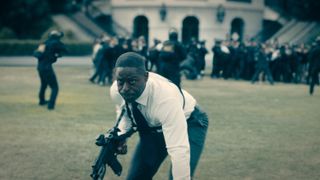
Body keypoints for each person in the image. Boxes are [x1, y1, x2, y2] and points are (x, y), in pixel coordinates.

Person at [109, 52, 208, 179]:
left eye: (132, 81)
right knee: (137, 177)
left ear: (146, 77)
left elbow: (179, 149)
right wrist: (122, 134)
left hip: (191, 121)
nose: (125, 88)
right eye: (120, 81)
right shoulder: (116, 91)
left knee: (178, 174)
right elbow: (125, 111)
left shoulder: (165, 100)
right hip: (155, 127)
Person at [34, 30, 67, 110]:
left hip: (40, 67)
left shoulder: (44, 43)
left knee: (44, 85)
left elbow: (37, 54)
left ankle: (42, 101)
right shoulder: (56, 43)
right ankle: (51, 106)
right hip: (47, 68)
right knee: (55, 87)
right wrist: (57, 55)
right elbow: (65, 49)